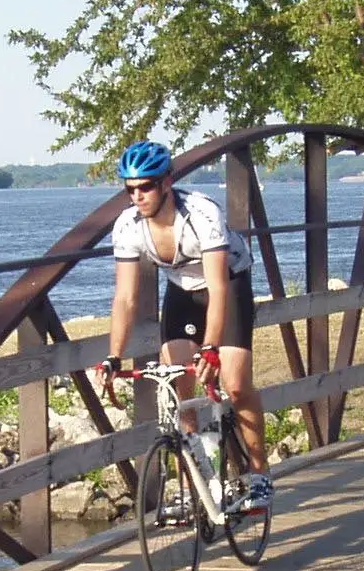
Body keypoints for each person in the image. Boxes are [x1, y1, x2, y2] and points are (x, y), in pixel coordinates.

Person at [92, 140, 271, 512]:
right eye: (129, 189)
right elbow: (125, 297)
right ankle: (195, 487)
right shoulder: (128, 225)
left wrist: (211, 347)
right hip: (182, 292)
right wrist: (113, 356)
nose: (137, 196)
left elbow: (219, 287)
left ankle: (259, 475)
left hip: (228, 284)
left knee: (236, 385)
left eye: (146, 186)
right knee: (178, 388)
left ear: (166, 182)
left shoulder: (201, 213)